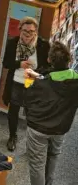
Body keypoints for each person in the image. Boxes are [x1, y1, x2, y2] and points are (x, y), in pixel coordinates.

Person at [24, 41, 78, 185]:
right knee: (53, 156)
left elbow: (28, 100)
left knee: (37, 165)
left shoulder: (42, 83)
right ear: (70, 60)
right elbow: (58, 82)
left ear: (49, 60)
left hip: (38, 129)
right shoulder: (75, 82)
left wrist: (30, 81)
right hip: (61, 129)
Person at [2, 16, 50, 152]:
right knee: (13, 111)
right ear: (19, 30)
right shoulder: (12, 43)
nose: (28, 34)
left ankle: (32, 142)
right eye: (25, 31)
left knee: (32, 113)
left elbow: (48, 66)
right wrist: (19, 64)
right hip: (16, 82)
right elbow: (5, 63)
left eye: (31, 31)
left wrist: (35, 72)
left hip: (33, 84)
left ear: (36, 32)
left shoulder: (43, 45)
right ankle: (12, 136)